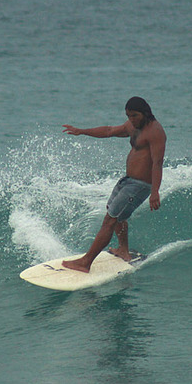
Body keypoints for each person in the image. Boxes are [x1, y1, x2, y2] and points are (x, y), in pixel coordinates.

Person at [60, 97, 166, 272]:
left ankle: (85, 263)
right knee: (115, 213)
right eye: (128, 116)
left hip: (140, 185)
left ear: (145, 113)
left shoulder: (155, 132)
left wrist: (155, 192)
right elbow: (109, 131)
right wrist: (82, 131)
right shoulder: (132, 126)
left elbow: (157, 163)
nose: (131, 119)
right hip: (128, 180)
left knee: (110, 219)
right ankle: (123, 250)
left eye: (135, 116)